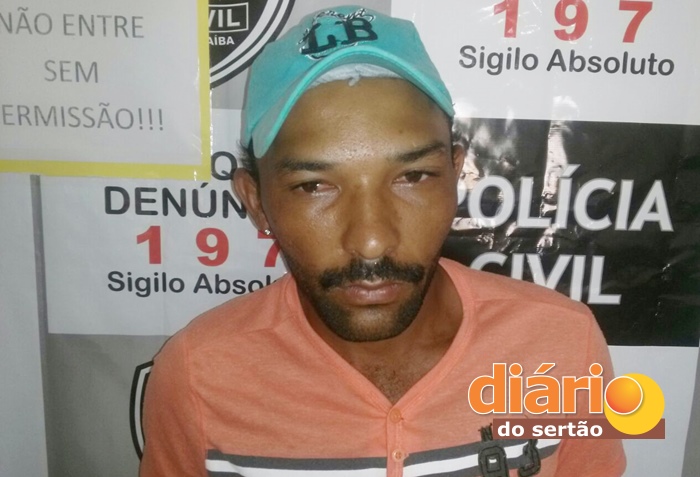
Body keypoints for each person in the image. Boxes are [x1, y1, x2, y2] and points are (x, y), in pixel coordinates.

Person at [140, 5, 625, 476]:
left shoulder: (563, 344)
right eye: (314, 186)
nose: (371, 242)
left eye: (412, 176)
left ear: (456, 174)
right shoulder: (199, 374)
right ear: (256, 201)